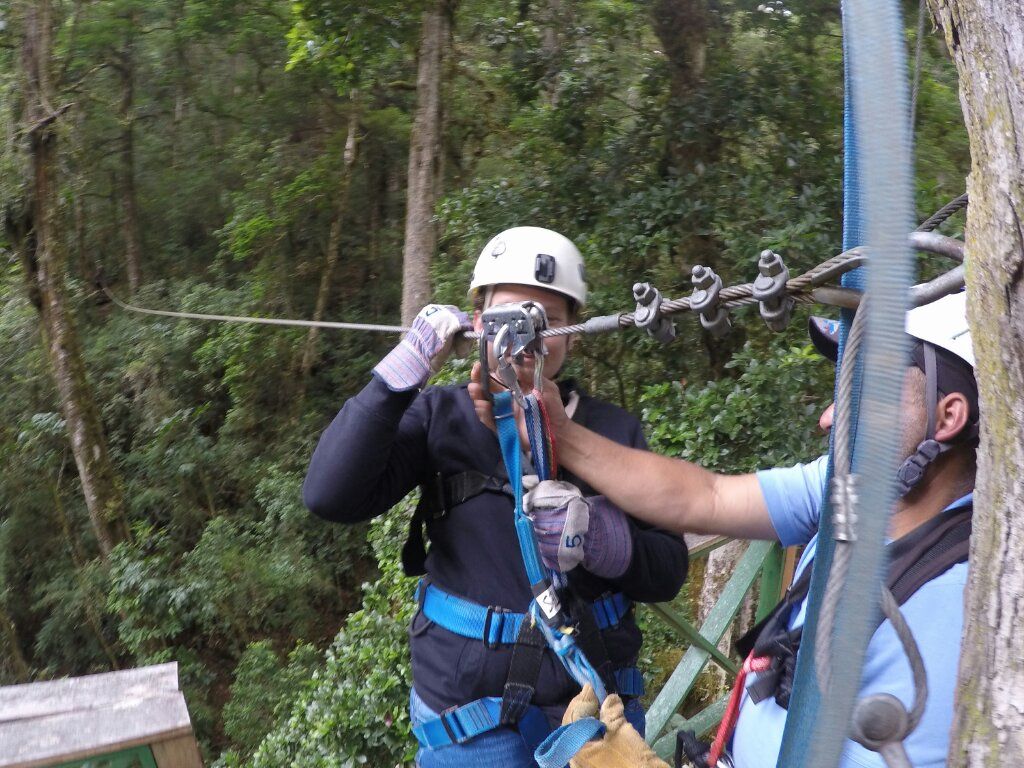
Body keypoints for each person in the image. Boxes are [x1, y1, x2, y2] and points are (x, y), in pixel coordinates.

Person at [470, 291, 978, 768]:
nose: (828, 419)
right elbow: (706, 497)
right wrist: (557, 431)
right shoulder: (849, 486)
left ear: (947, 417)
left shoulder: (953, 605)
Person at [303, 226, 689, 768]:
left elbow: (668, 570)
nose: (524, 337)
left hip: (596, 718)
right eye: (507, 317)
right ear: (477, 322)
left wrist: (608, 542)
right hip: (469, 723)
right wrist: (399, 377)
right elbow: (329, 494)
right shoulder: (440, 417)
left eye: (546, 321)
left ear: (573, 335)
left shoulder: (613, 432)